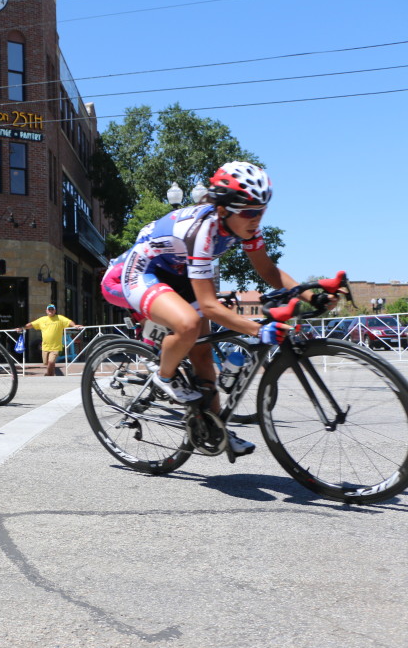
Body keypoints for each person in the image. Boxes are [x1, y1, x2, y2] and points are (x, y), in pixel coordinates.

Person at [99, 161, 304, 459]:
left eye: (261, 210)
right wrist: (259, 329)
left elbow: (269, 271)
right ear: (223, 210)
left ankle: (215, 427)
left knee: (203, 355)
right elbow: (208, 305)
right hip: (143, 270)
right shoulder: (203, 230)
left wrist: (310, 292)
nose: (256, 219)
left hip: (177, 273)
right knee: (188, 324)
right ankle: (163, 377)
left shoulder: (243, 226)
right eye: (249, 212)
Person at [18, 304, 81, 376]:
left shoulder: (60, 318)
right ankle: (50, 375)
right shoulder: (42, 319)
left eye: (52, 309)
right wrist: (22, 328)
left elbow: (69, 322)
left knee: (51, 362)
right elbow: (31, 324)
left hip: (55, 347)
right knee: (46, 363)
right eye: (49, 309)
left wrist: (74, 325)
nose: (51, 311)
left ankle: (48, 375)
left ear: (55, 311)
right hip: (45, 347)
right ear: (46, 311)